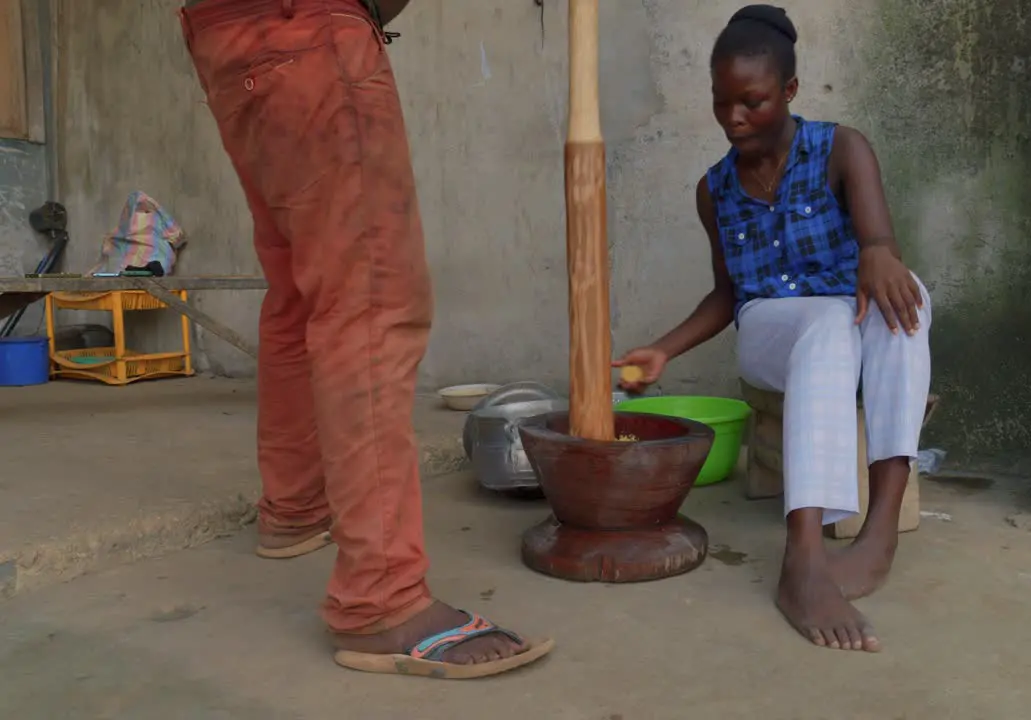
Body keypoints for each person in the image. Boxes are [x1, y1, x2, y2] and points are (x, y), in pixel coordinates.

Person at [178, 0, 552, 678]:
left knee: (297, 286)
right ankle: (383, 599)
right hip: (311, 30)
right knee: (371, 300)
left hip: (225, 33)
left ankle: (294, 509)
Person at [615, 4, 932, 653]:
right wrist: (662, 351)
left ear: (788, 92)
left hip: (852, 319)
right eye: (722, 102)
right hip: (770, 331)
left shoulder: (842, 149)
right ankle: (804, 557)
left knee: (907, 298)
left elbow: (879, 247)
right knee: (826, 322)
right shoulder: (715, 191)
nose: (734, 118)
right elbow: (727, 295)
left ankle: (881, 530)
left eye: (752, 102)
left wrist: (876, 247)